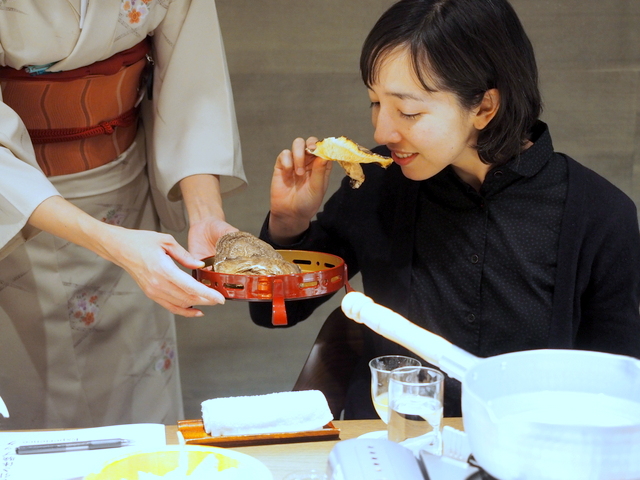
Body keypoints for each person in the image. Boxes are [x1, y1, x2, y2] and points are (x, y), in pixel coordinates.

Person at [250, 0, 640, 419]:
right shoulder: (380, 185)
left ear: (484, 107)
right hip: (390, 443)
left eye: (408, 111)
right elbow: (275, 312)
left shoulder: (599, 214)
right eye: (375, 103)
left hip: (525, 446)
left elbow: (617, 391)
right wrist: (289, 223)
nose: (382, 130)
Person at [0, 0, 246, 428]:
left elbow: (193, 79)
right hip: (13, 211)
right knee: (28, 407)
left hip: (124, 195)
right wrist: (112, 244)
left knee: (137, 396)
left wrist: (205, 214)